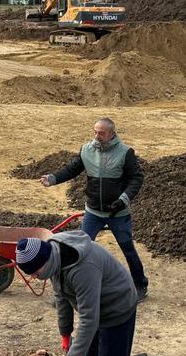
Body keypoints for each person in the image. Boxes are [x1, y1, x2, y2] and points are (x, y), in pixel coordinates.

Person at [39, 117, 149, 300]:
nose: (97, 136)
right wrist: (52, 178)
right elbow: (72, 169)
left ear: (112, 133)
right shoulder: (87, 150)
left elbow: (136, 178)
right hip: (93, 212)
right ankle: (70, 289)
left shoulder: (125, 153)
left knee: (127, 248)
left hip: (117, 213)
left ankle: (140, 284)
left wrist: (123, 200)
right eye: (95, 132)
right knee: (79, 249)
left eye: (101, 133)